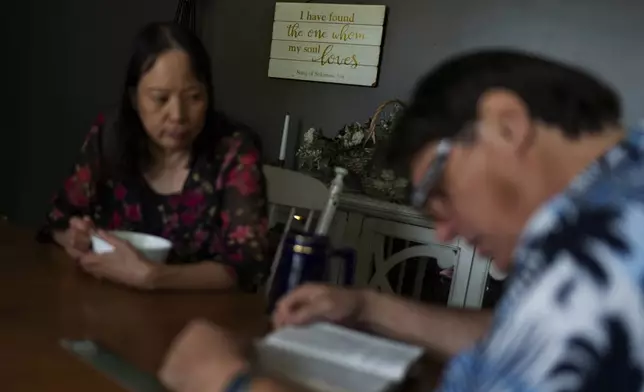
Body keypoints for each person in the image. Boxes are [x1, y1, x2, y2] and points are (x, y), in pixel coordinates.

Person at [160, 49, 644, 391]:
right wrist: (368, 307)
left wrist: (229, 382)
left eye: (439, 190)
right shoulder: (618, 195)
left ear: (506, 123)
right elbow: (521, 336)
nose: (444, 231)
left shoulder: (602, 246)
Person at [41, 22, 269, 292]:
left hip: (204, 319)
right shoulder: (109, 136)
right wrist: (75, 238)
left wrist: (153, 276)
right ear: (135, 98)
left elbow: (248, 265)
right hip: (109, 304)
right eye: (161, 99)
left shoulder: (233, 150)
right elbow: (59, 220)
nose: (178, 115)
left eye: (194, 97)